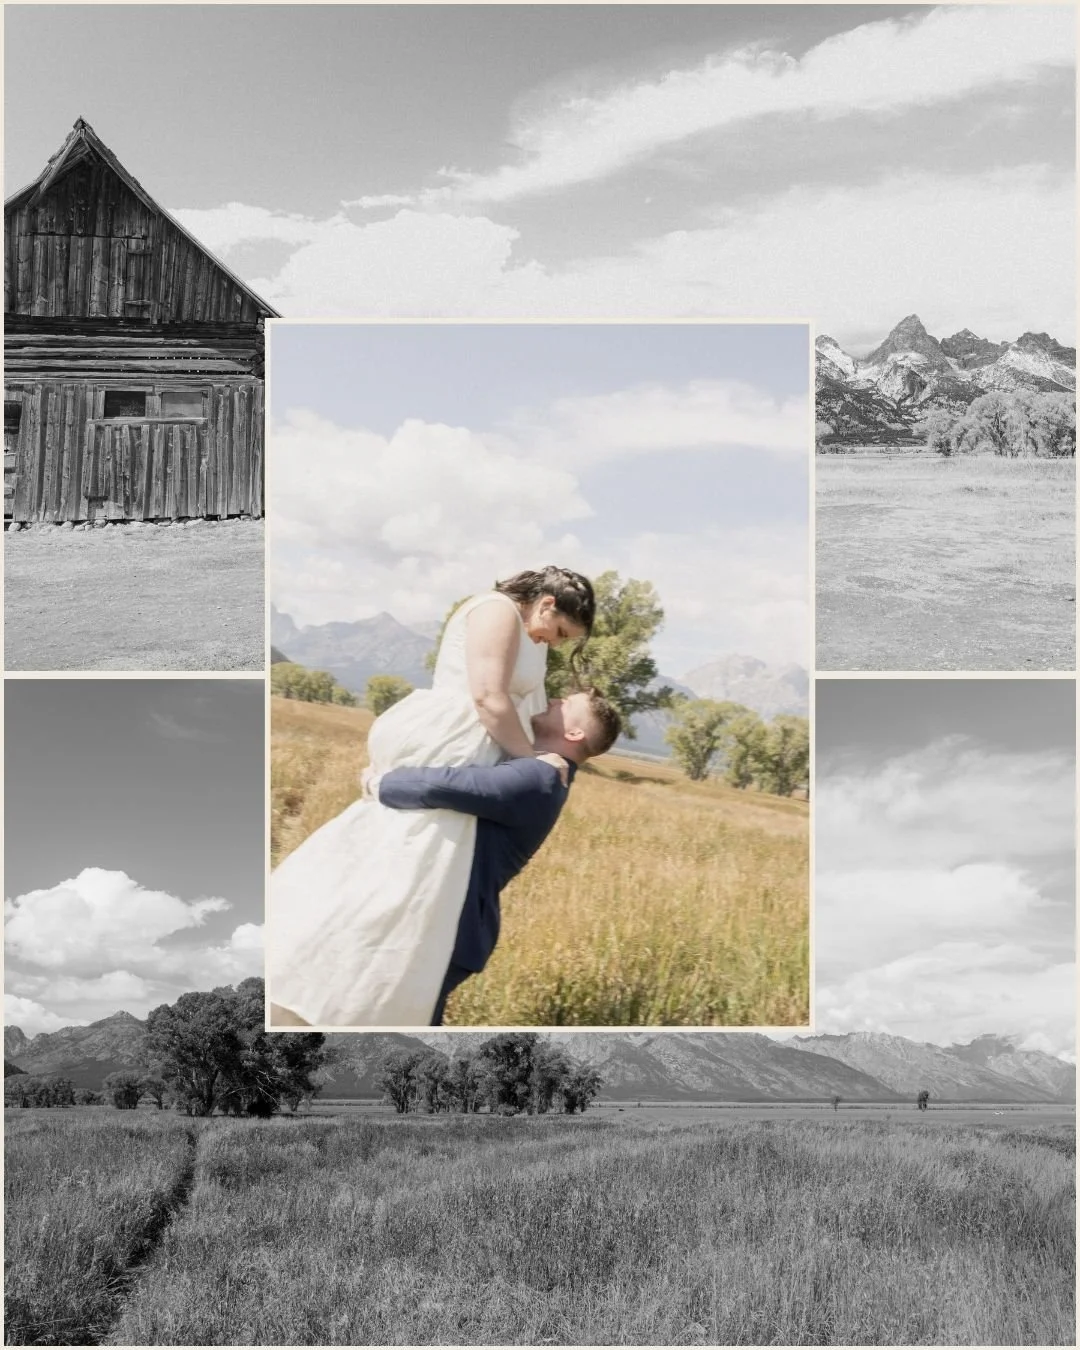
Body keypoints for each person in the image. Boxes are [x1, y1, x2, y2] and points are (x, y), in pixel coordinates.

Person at [268, 566, 596, 1028]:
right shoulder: (497, 610)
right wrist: (529, 762)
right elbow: (487, 696)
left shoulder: (530, 635)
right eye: (559, 631)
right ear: (546, 604)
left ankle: (386, 989)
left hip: (482, 751)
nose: (554, 643)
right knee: (397, 867)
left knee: (419, 880)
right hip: (458, 740)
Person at [370, 689, 622, 1024]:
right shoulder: (544, 771)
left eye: (567, 704)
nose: (555, 700)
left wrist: (380, 783)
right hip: (444, 927)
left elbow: (443, 786)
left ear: (574, 734)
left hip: (451, 931)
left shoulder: (540, 778)